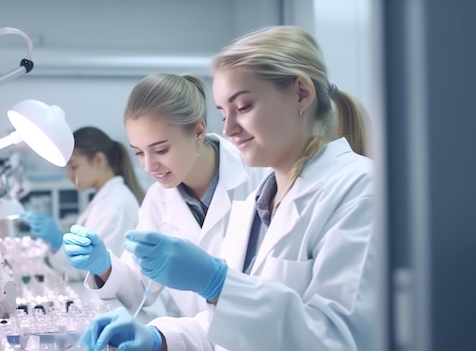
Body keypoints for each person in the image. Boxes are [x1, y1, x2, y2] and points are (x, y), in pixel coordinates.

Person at [80, 25, 374, 351]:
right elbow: (225, 328)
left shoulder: (360, 189)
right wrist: (159, 338)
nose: (230, 129)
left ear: (301, 94)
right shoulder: (258, 201)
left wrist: (217, 283)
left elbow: (340, 340)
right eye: (223, 112)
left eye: (244, 107)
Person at [62, 73, 267, 319]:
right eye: (139, 152)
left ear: (198, 131)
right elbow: (139, 288)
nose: (148, 166)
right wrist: (103, 265)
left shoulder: (257, 177)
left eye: (161, 149)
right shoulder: (157, 201)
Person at [20, 127, 143, 279]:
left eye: (74, 166)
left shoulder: (117, 202)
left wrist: (59, 242)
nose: (69, 176)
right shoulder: (105, 199)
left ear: (98, 160)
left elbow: (98, 267)